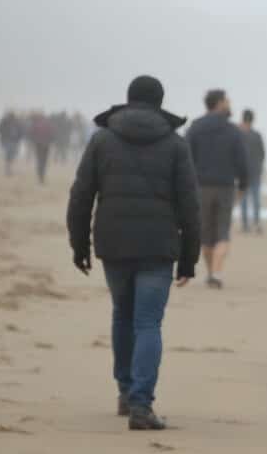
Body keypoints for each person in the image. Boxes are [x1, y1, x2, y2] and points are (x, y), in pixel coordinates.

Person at [66, 76, 201, 431]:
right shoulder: (174, 144)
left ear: (128, 100)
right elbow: (190, 206)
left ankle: (126, 392)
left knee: (123, 315)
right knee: (147, 323)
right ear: (159, 103)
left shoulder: (102, 139)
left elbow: (81, 195)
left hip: (114, 243)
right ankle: (141, 404)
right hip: (158, 247)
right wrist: (190, 258)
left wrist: (79, 244)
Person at [186, 89, 248, 288]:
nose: (230, 104)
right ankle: (217, 274)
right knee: (223, 232)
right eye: (227, 101)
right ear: (219, 103)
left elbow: (185, 159)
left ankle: (211, 272)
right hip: (225, 187)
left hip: (200, 187)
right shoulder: (232, 130)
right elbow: (242, 162)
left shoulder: (195, 127)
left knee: (206, 234)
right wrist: (244, 185)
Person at [239, 109, 266, 234]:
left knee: (246, 200)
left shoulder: (238, 134)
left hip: (244, 173)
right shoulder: (256, 135)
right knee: (254, 200)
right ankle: (254, 223)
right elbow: (262, 154)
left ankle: (246, 224)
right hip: (253, 172)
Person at [28, 111, 55, 184]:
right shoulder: (48, 124)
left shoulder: (36, 124)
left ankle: (40, 175)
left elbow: (31, 133)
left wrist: (34, 141)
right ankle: (42, 176)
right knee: (44, 161)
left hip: (38, 144)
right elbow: (52, 134)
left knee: (39, 161)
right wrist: (50, 141)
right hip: (46, 145)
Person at [0, 110, 24, 176]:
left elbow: (21, 131)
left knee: (11, 155)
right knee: (9, 155)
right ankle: (8, 169)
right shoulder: (6, 121)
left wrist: (19, 138)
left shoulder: (15, 122)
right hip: (8, 141)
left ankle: (8, 168)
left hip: (12, 141)